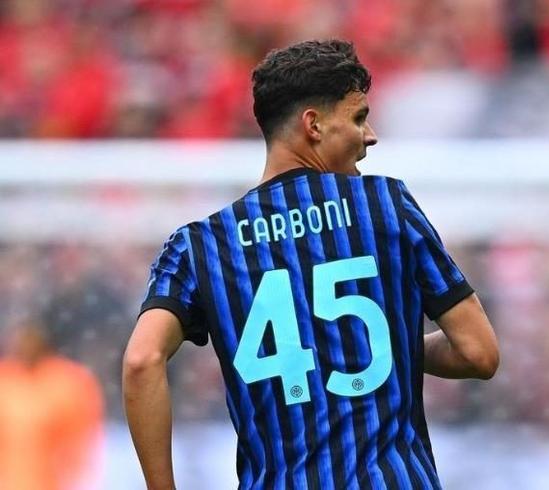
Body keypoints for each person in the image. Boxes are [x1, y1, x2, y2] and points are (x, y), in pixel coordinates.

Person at [123, 39, 499, 489]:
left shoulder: (199, 246)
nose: (370, 135)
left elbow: (141, 361)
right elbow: (478, 352)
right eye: (358, 117)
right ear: (313, 125)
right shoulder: (385, 205)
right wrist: (377, 347)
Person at [0, 319, 104, 490]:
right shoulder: (6, 377)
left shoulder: (67, 381)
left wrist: (73, 472)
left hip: (52, 479)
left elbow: (80, 435)